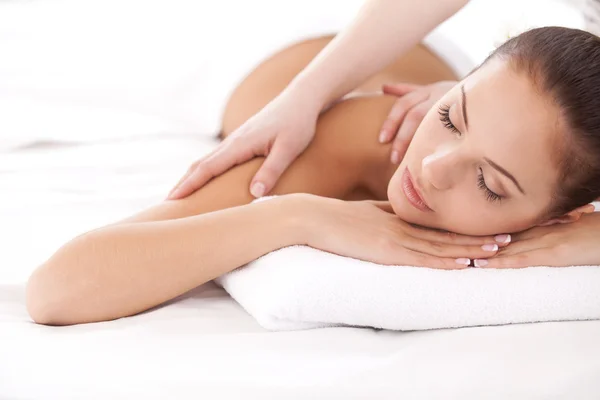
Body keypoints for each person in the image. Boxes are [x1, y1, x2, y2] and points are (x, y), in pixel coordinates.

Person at [25, 24, 600, 326]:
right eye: (448, 115)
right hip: (292, 40)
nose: (430, 167)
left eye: (489, 184)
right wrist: (295, 215)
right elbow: (57, 291)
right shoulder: (355, 137)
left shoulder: (556, 178)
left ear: (561, 215)